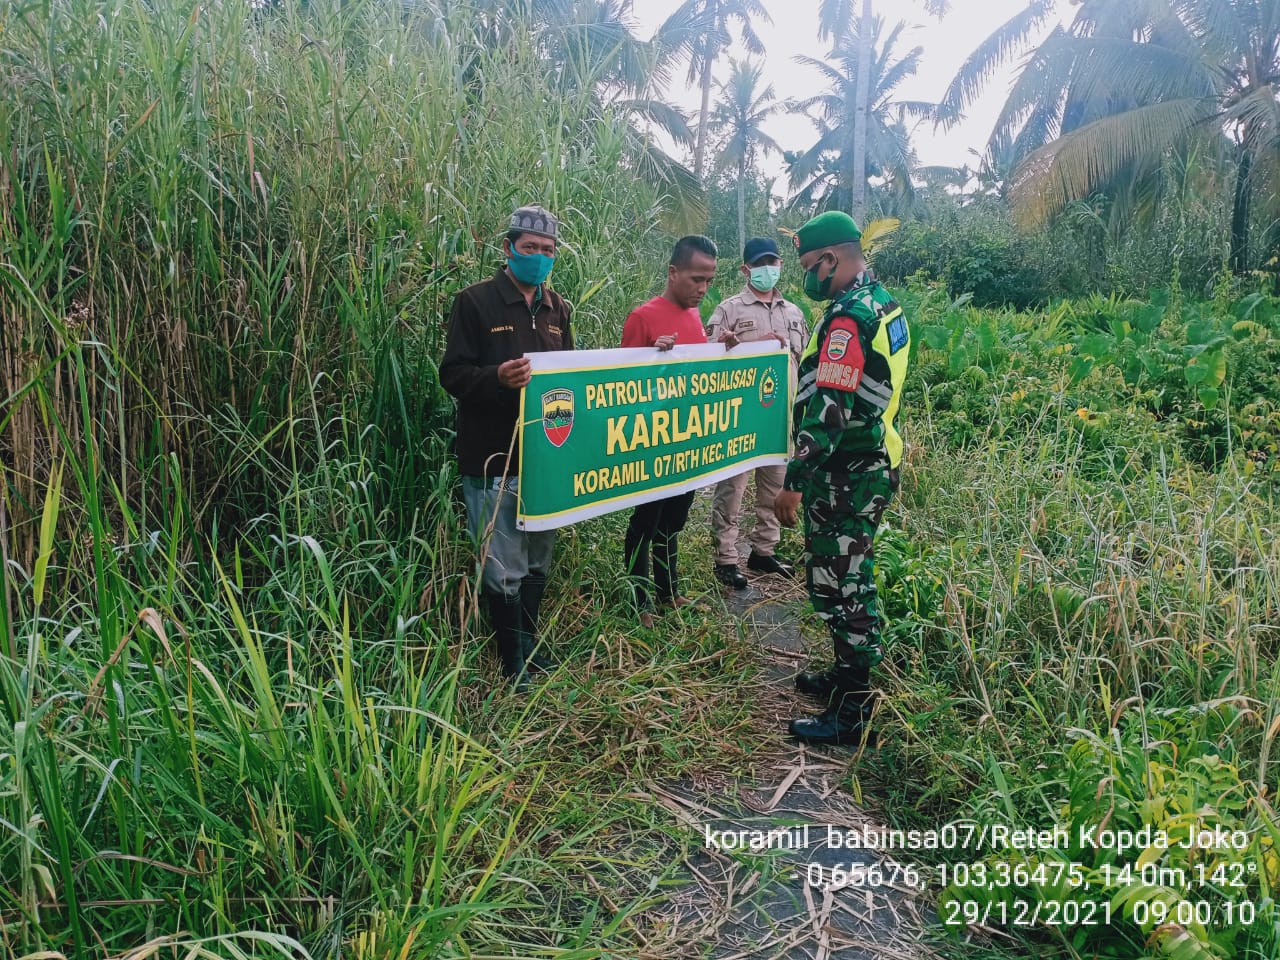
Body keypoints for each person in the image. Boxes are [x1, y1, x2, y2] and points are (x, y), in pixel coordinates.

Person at [773, 211, 911, 746]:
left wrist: (793, 480)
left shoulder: (847, 319)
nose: (808, 277)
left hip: (844, 474)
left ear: (831, 258)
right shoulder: (885, 303)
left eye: (810, 266)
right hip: (875, 461)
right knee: (845, 577)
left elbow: (830, 410)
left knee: (846, 586)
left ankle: (853, 713)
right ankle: (843, 679)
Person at [439, 204, 572, 690]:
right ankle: (510, 661)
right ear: (508, 248)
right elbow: (451, 374)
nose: (538, 257)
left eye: (547, 251)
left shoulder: (559, 309)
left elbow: (573, 378)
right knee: (502, 562)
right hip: (493, 455)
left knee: (538, 556)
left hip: (545, 458)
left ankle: (529, 647)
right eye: (530, 248)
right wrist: (496, 377)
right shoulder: (475, 303)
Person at [620, 235, 717, 629]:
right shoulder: (643, 317)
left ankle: (669, 591)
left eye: (709, 280)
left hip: (687, 438)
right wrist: (648, 357)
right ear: (673, 272)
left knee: (674, 519)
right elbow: (618, 385)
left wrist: (722, 350)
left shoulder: (695, 317)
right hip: (651, 441)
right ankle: (638, 599)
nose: (703, 288)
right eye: (696, 279)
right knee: (645, 521)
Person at [707, 236, 808, 590]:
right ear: (746, 269)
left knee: (774, 485)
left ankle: (764, 551)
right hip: (740, 419)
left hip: (780, 417)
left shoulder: (793, 312)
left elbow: (803, 361)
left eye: (774, 262)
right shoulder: (729, 310)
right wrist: (730, 346)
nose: (769, 269)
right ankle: (726, 557)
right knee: (732, 488)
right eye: (761, 263)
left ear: (781, 265)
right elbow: (704, 359)